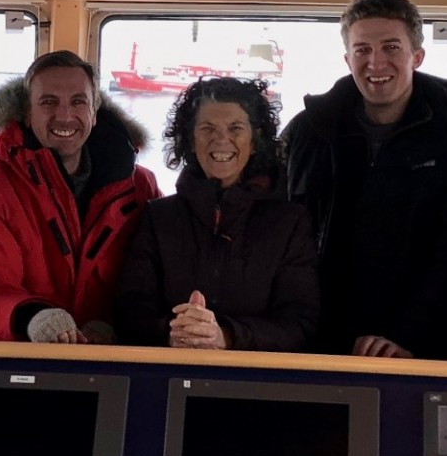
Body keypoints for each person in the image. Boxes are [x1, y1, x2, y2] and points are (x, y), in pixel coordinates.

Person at [284, 0, 447, 359]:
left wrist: (409, 335)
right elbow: (286, 234)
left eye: (391, 47)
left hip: (422, 342)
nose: (376, 62)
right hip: (319, 337)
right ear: (347, 57)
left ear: (417, 56)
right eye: (363, 50)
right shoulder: (309, 132)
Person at [0, 50, 159, 342]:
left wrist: (117, 325)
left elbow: (156, 280)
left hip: (115, 360)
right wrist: (30, 318)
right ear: (28, 114)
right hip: (23, 363)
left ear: (94, 113)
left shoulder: (140, 187)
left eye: (78, 102)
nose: (65, 116)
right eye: (49, 102)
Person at [114, 77, 319, 352]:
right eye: (207, 128)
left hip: (256, 385)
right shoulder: (159, 217)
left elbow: (300, 324)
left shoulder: (290, 222)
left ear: (255, 140)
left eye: (235, 128)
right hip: (169, 379)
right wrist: (173, 332)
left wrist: (226, 336)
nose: (221, 139)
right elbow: (129, 310)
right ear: (190, 139)